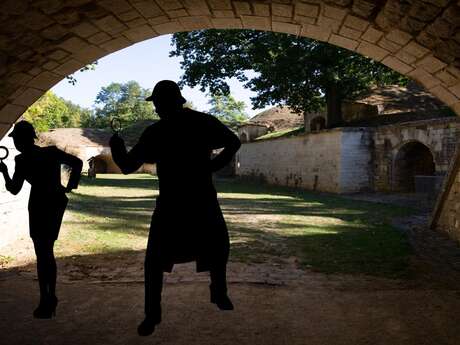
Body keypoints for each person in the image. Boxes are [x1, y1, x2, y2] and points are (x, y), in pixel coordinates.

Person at [110, 80, 241, 336]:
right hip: (202, 198)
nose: (156, 109)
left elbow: (126, 166)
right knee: (217, 246)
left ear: (163, 103)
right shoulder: (203, 122)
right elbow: (233, 142)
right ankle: (219, 292)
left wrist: (116, 146)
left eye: (157, 103)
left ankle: (152, 314)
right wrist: (213, 166)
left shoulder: (156, 132)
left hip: (171, 204)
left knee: (154, 261)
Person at [0, 121, 82, 318]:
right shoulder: (51, 153)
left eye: (18, 139)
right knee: (46, 252)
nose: (17, 143)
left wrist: (3, 172)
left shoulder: (22, 160)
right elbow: (77, 163)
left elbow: (14, 189)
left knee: (43, 253)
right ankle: (48, 297)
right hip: (54, 202)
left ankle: (47, 298)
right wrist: (70, 185)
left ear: (23, 139)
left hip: (38, 204)